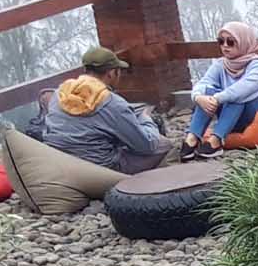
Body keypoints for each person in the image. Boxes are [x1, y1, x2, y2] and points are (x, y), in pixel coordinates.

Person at [24, 45, 172, 173]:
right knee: (163, 144)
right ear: (112, 73)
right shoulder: (113, 103)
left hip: (61, 161)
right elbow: (146, 146)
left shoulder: (60, 92)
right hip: (101, 167)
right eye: (118, 71)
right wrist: (147, 120)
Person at [184, 21, 258, 156]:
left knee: (237, 96)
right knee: (207, 92)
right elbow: (204, 83)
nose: (225, 46)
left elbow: (243, 89)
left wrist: (217, 99)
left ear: (243, 41)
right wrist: (198, 97)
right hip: (234, 117)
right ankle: (192, 138)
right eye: (221, 41)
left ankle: (216, 141)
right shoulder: (220, 64)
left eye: (230, 41)